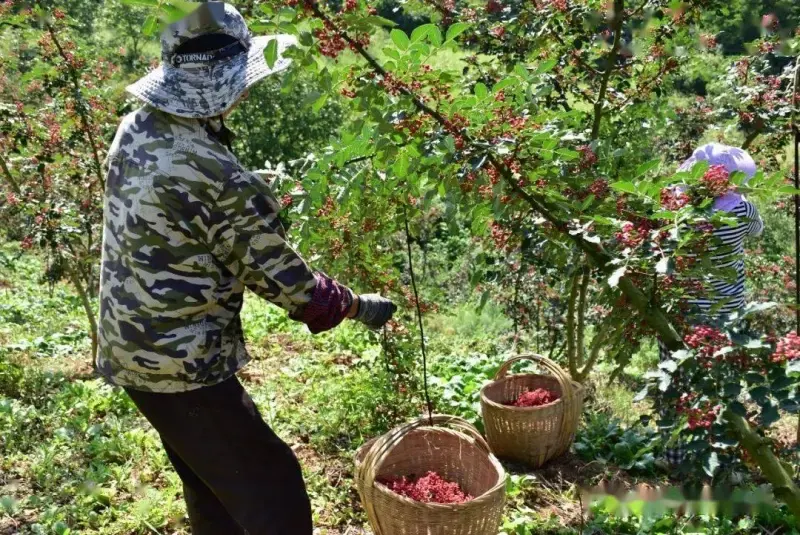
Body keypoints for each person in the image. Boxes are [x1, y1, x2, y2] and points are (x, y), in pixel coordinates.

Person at [96, 3, 396, 534]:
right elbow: (297, 290)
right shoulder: (221, 178)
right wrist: (356, 304)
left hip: (130, 347)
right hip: (182, 369)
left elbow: (183, 209)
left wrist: (248, 202)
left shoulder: (136, 126)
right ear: (232, 82)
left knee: (209, 480)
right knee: (272, 487)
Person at [657, 142, 764, 466]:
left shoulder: (679, 208)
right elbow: (757, 232)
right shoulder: (742, 209)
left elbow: (661, 244)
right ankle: (720, 452)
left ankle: (673, 457)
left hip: (682, 309)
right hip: (727, 312)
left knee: (674, 381)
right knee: (723, 381)